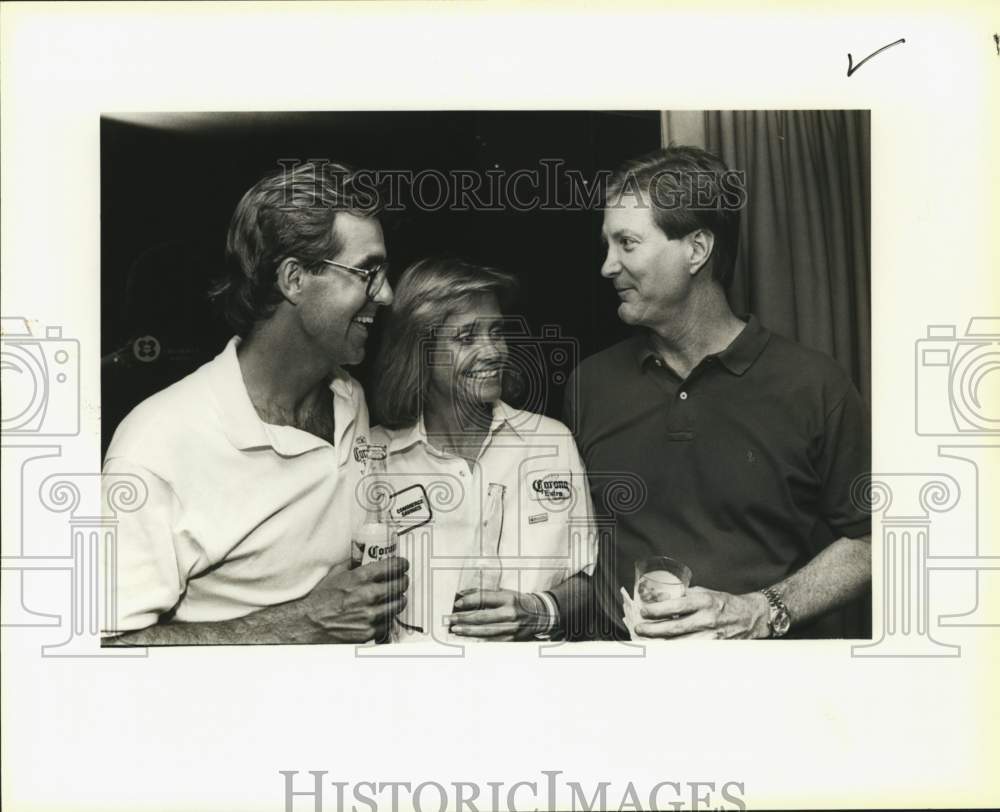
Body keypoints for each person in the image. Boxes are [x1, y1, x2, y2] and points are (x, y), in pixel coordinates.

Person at [566, 145, 871, 640]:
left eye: (627, 243)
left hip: (764, 689)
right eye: (607, 245)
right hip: (619, 688)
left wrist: (762, 610)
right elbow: (573, 552)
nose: (607, 265)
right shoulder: (590, 385)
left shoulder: (814, 385)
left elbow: (874, 539)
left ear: (697, 249)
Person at [101, 161, 409, 645]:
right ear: (293, 279)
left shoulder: (350, 399)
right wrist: (301, 622)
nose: (387, 294)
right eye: (368, 272)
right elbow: (109, 653)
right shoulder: (156, 445)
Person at [370, 257, 597, 642]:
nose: (493, 351)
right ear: (419, 350)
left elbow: (590, 579)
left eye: (496, 332)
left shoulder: (551, 442)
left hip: (532, 684)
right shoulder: (377, 455)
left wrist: (539, 611)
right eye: (466, 337)